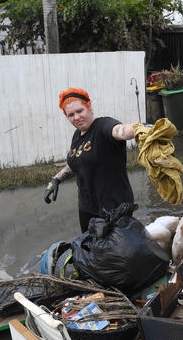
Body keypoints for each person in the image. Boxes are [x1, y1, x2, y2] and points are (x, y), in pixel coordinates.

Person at [44, 87, 138, 232]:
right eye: (70, 115)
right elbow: (77, 163)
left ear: (89, 106)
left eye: (80, 111)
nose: (76, 117)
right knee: (88, 251)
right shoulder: (77, 136)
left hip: (115, 209)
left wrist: (141, 129)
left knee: (114, 253)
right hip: (87, 208)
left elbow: (121, 131)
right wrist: (56, 179)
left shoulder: (103, 126)